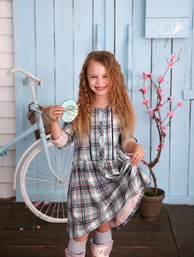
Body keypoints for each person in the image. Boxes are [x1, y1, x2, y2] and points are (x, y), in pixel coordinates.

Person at [49, 51, 150, 257]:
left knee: (104, 225)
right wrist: (53, 122)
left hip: (109, 177)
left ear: (114, 77)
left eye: (105, 76)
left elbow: (126, 142)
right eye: (94, 76)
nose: (99, 81)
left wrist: (137, 148)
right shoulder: (78, 111)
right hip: (84, 180)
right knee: (79, 232)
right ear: (86, 79)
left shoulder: (120, 109)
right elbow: (62, 142)